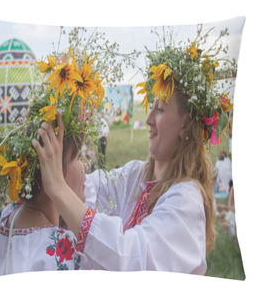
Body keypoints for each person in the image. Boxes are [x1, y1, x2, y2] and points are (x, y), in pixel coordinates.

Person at [32, 29, 235, 274]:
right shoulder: (136, 175)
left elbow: (128, 257)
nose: (148, 119)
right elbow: (87, 187)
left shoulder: (186, 202)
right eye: (150, 107)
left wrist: (58, 188)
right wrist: (42, 173)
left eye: (159, 109)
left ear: (185, 124)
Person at [0, 47, 105, 276]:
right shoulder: (60, 252)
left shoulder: (9, 217)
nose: (87, 165)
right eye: (78, 156)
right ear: (53, 170)